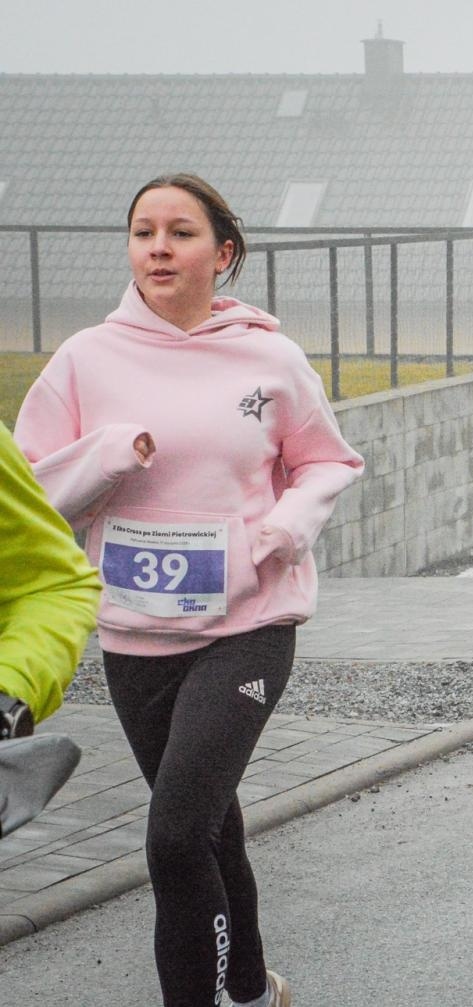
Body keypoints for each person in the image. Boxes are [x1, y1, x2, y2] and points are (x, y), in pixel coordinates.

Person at [15, 172, 363, 1006]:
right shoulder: (84, 360)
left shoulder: (269, 357)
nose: (160, 248)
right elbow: (24, 495)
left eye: (180, 232)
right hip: (136, 635)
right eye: (144, 232)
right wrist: (105, 453)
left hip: (248, 622)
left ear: (224, 252)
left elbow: (329, 459)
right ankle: (250, 987)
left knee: (174, 836)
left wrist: (281, 530)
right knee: (212, 823)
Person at [0, 422, 102, 837]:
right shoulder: (85, 356)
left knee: (182, 829)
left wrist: (8, 695)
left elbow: (52, 583)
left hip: (243, 618)